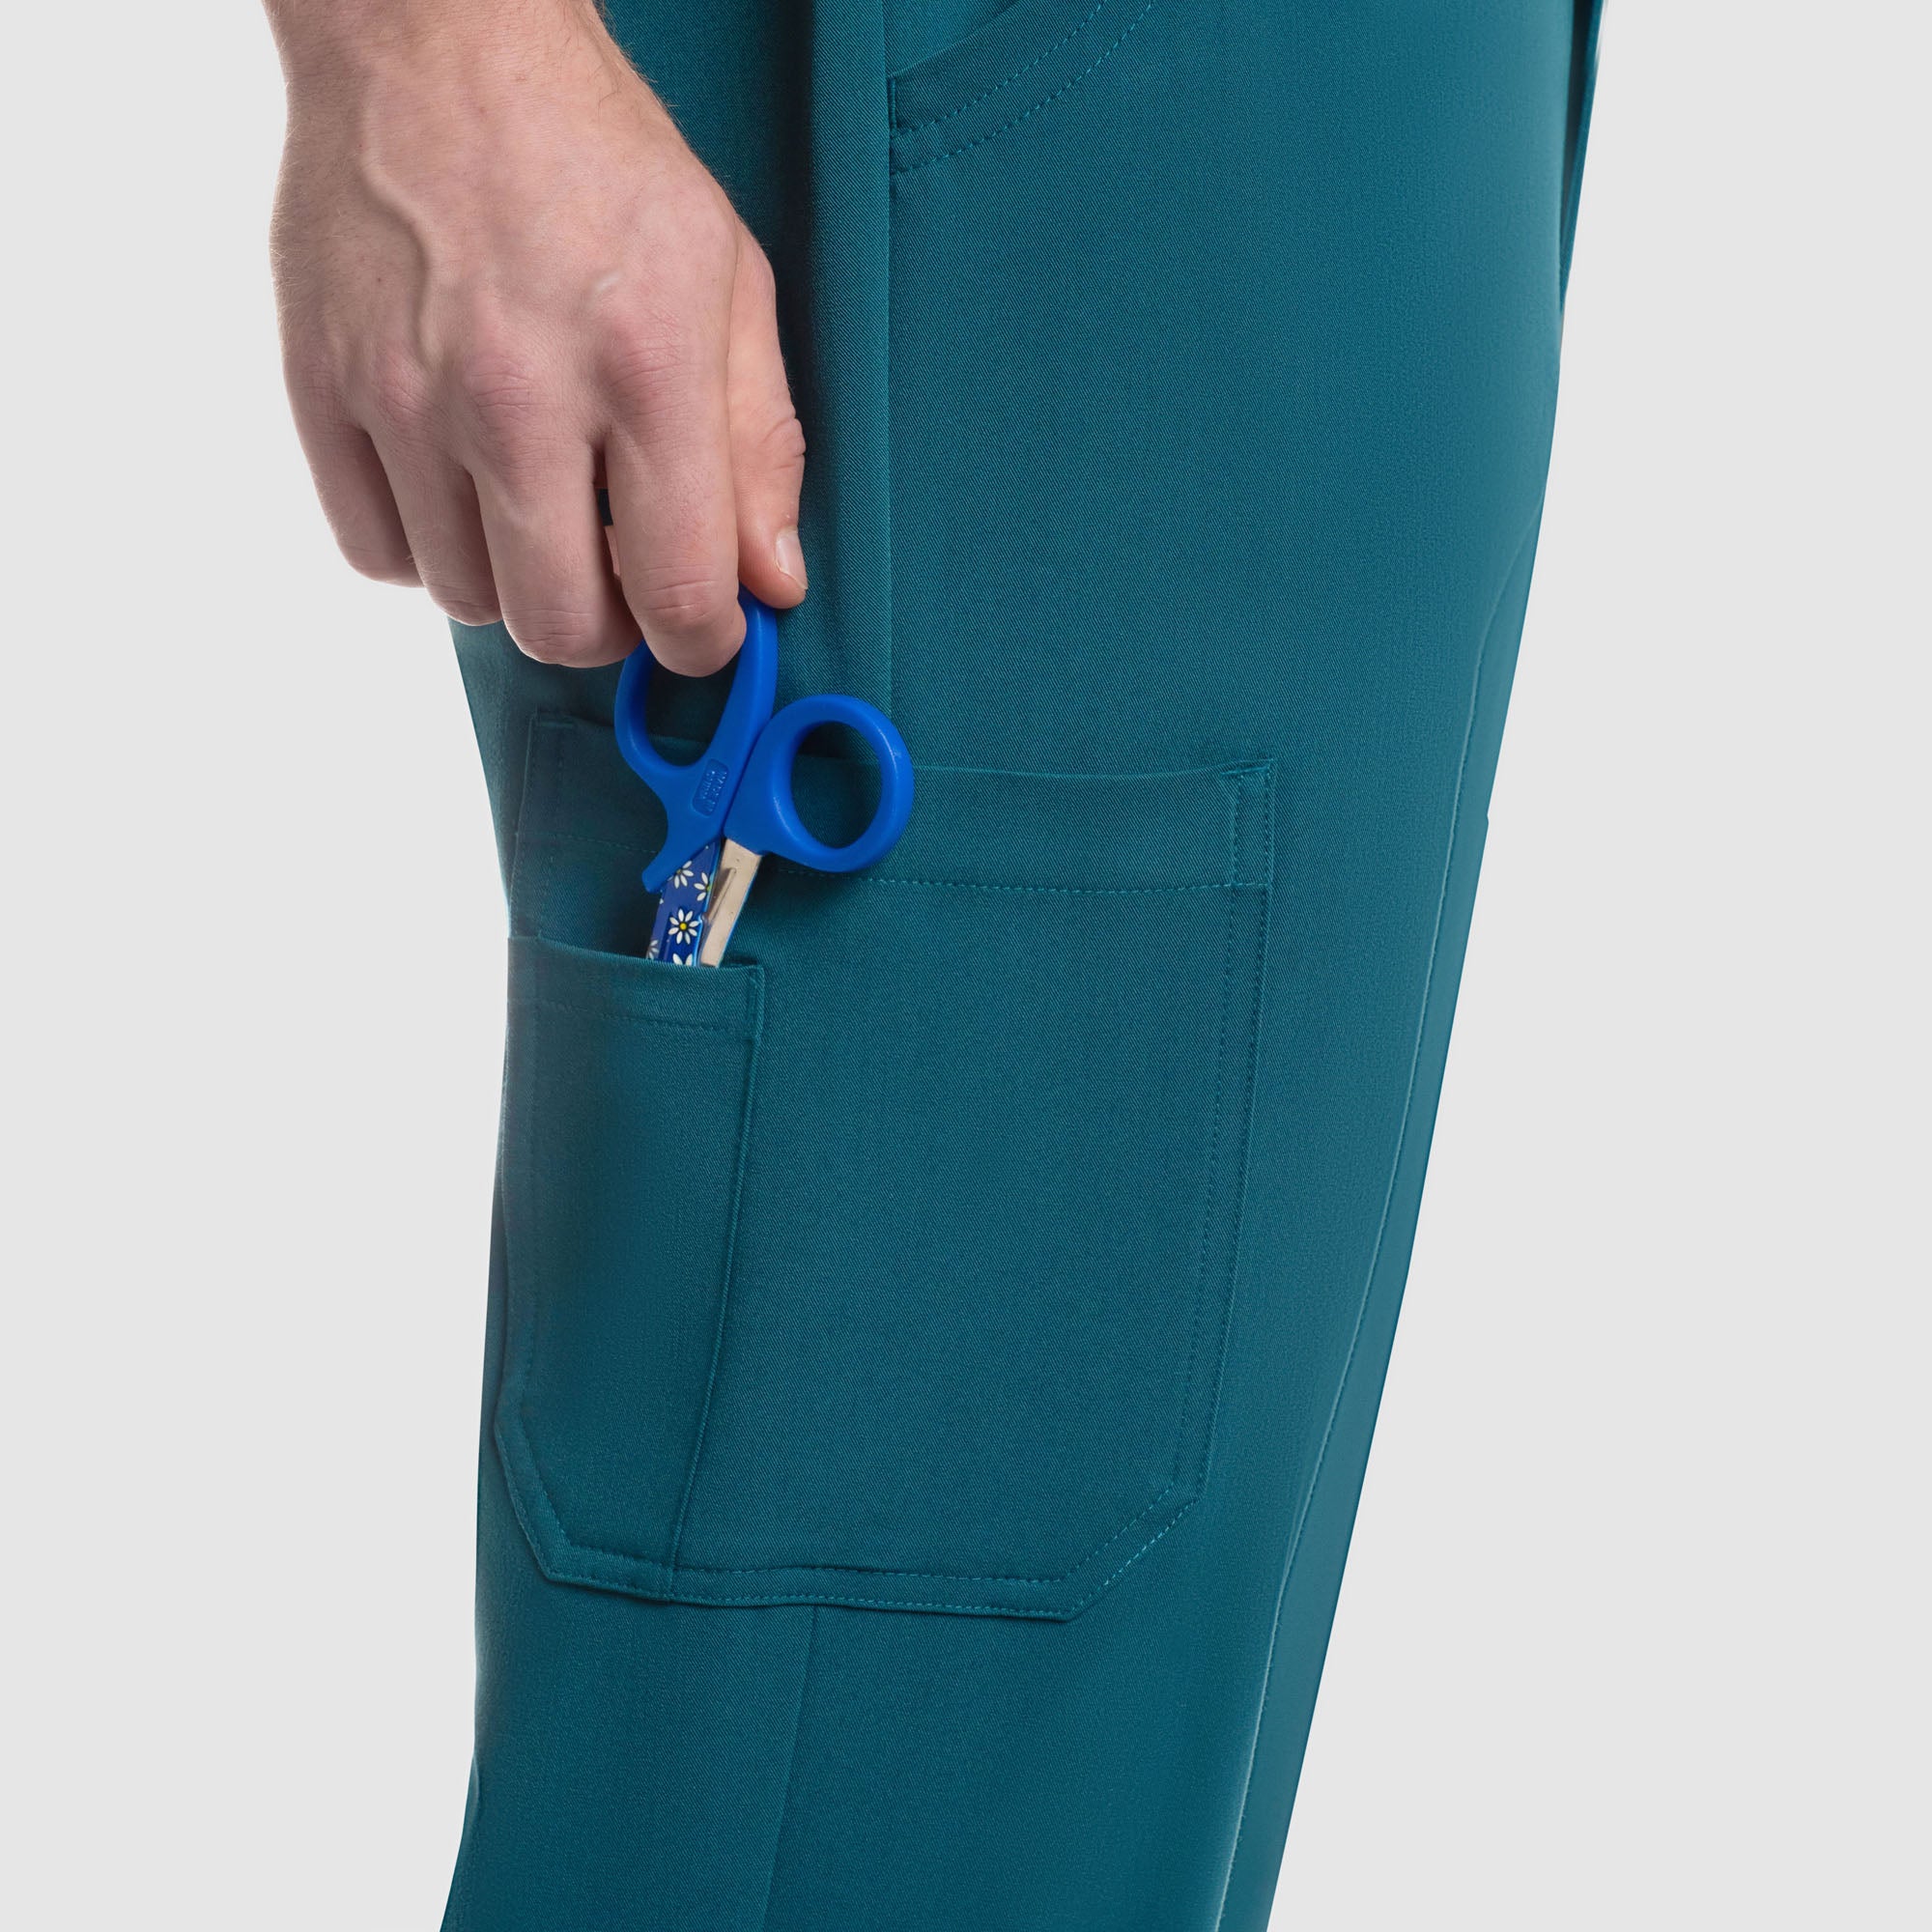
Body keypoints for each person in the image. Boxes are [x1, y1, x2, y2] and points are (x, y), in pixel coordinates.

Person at [261, 1, 1603, 1925]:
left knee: (1112, 1766)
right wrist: (432, 54)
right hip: (972, 127)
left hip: (1343, 122)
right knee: (868, 1725)